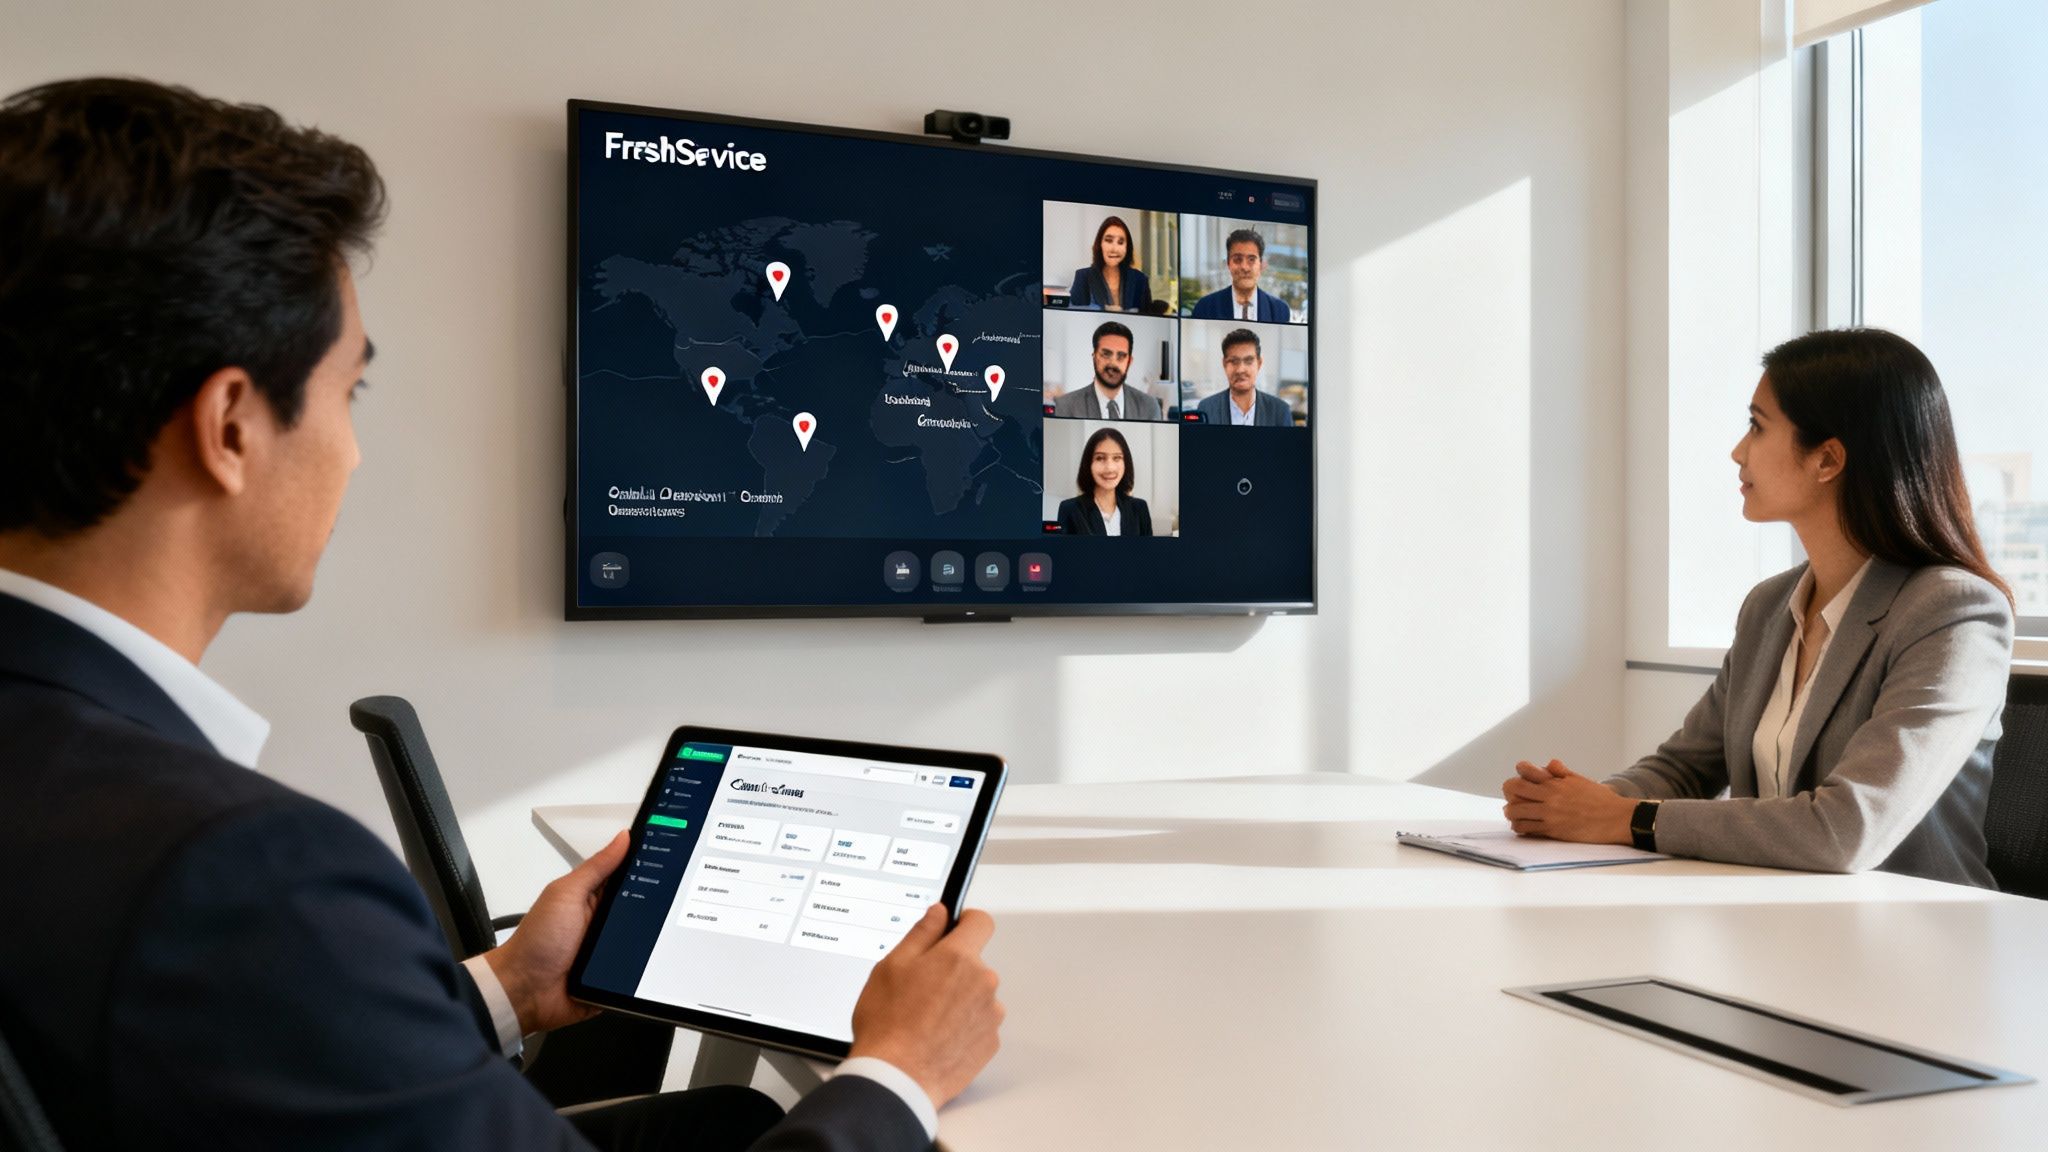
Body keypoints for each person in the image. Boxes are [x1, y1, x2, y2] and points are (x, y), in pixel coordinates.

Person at [0, 78, 1003, 1151]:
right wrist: (898, 1073)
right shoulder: (239, 875)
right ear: (232, 427)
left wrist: (504, 990)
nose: (352, 450)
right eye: (351, 393)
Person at [1500, 329, 2014, 887]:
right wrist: (1572, 804)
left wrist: (1624, 819)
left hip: (1915, 940)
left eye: (1756, 425)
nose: (1738, 451)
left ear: (1828, 459)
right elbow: (1684, 768)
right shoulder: (1770, 606)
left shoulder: (1954, 613)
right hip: (1777, 918)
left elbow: (1848, 829)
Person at [1049, 321, 1162, 421]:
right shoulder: (1065, 406)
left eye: (1121, 356)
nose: (1113, 363)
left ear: (1129, 361)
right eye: (1106, 354)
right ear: (1094, 357)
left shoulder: (1150, 407)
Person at [1055, 427, 1154, 536]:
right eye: (1100, 458)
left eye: (1117, 458)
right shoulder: (1070, 509)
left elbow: (1148, 552)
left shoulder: (1140, 508)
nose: (1110, 468)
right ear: (1088, 464)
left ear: (1126, 463)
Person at [1187, 228, 1291, 323]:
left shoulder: (1279, 310)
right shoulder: (1206, 307)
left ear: (1261, 265)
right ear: (1228, 264)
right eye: (1237, 259)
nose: (1245, 267)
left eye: (1251, 260)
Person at [1195, 328, 1294, 427]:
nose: (1240, 370)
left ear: (1259, 364)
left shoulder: (1280, 411)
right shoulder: (1206, 409)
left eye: (1248, 361)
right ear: (1224, 364)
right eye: (1233, 361)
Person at [1065, 215, 1153, 313]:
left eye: (1120, 242)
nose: (1114, 249)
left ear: (1127, 248)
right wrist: (1104, 310)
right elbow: (1075, 314)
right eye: (1108, 240)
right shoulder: (1083, 276)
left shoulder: (1140, 280)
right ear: (1100, 244)